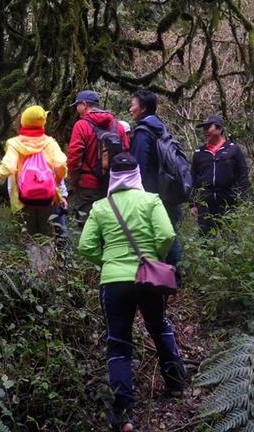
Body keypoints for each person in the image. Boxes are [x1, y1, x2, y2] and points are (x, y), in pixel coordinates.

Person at [78, 153, 187, 432]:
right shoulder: (150, 200)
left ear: (113, 176)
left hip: (113, 282)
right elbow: (166, 235)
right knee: (158, 326)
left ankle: (123, 415)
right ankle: (175, 384)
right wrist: (153, 259)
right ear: (137, 174)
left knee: (118, 342)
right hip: (147, 278)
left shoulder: (101, 206)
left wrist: (108, 262)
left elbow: (85, 246)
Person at [0, 105, 67, 237]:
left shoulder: (14, 143)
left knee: (29, 236)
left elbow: (8, 168)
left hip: (23, 198)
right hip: (48, 197)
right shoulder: (50, 143)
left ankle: (34, 257)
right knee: (47, 234)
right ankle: (46, 257)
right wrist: (56, 184)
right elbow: (61, 164)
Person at [128, 89, 183, 262]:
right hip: (167, 189)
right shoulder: (159, 128)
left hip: (152, 193)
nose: (130, 109)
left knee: (160, 236)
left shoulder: (143, 133)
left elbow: (139, 168)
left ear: (143, 108)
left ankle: (165, 278)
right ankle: (173, 277)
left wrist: (138, 196)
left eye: (132, 105)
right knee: (169, 231)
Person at [67, 90, 130, 223]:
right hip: (112, 184)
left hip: (88, 186)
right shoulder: (117, 126)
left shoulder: (81, 125)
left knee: (87, 226)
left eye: (77, 105)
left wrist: (74, 180)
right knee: (110, 227)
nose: (76, 109)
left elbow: (74, 156)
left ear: (84, 105)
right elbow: (126, 153)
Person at [190, 115, 249, 233]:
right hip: (205, 202)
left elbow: (243, 175)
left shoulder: (233, 150)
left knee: (229, 236)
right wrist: (193, 204)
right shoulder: (199, 152)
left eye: (208, 127)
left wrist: (242, 200)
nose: (205, 131)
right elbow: (193, 177)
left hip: (228, 200)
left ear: (219, 129)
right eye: (204, 128)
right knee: (205, 237)